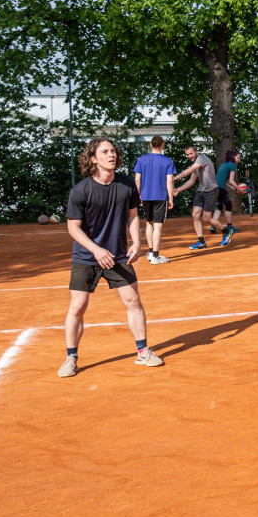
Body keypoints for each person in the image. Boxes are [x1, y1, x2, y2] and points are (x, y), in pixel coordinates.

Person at [59, 137, 163, 377]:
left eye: (113, 150)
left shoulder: (126, 185)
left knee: (133, 300)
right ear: (93, 159)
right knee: (78, 306)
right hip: (87, 256)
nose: (111, 154)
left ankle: (142, 351)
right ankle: (71, 358)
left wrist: (137, 241)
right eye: (104, 151)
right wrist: (96, 249)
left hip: (117, 255)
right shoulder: (80, 190)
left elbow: (132, 215)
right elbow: (73, 228)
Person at [133, 135, 178, 264]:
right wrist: (171, 198)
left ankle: (151, 252)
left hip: (146, 195)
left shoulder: (142, 159)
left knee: (149, 222)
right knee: (158, 226)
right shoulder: (167, 161)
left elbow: (137, 180)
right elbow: (169, 182)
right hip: (160, 196)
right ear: (162, 145)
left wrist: (138, 196)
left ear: (151, 145)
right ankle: (155, 256)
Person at [173, 145, 219, 251]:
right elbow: (191, 181)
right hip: (201, 191)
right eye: (187, 155)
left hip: (211, 190)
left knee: (207, 219)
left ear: (196, 152)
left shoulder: (201, 159)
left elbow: (189, 171)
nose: (189, 156)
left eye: (191, 153)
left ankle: (226, 231)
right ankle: (201, 241)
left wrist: (174, 178)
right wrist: (178, 189)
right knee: (195, 214)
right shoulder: (195, 164)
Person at [214, 149, 242, 245]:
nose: (239, 160)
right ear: (233, 157)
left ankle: (213, 225)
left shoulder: (223, 165)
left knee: (219, 206)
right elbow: (231, 181)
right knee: (229, 205)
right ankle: (229, 227)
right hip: (221, 189)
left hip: (214, 188)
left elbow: (224, 181)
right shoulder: (233, 165)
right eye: (238, 157)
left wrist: (234, 189)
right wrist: (240, 189)